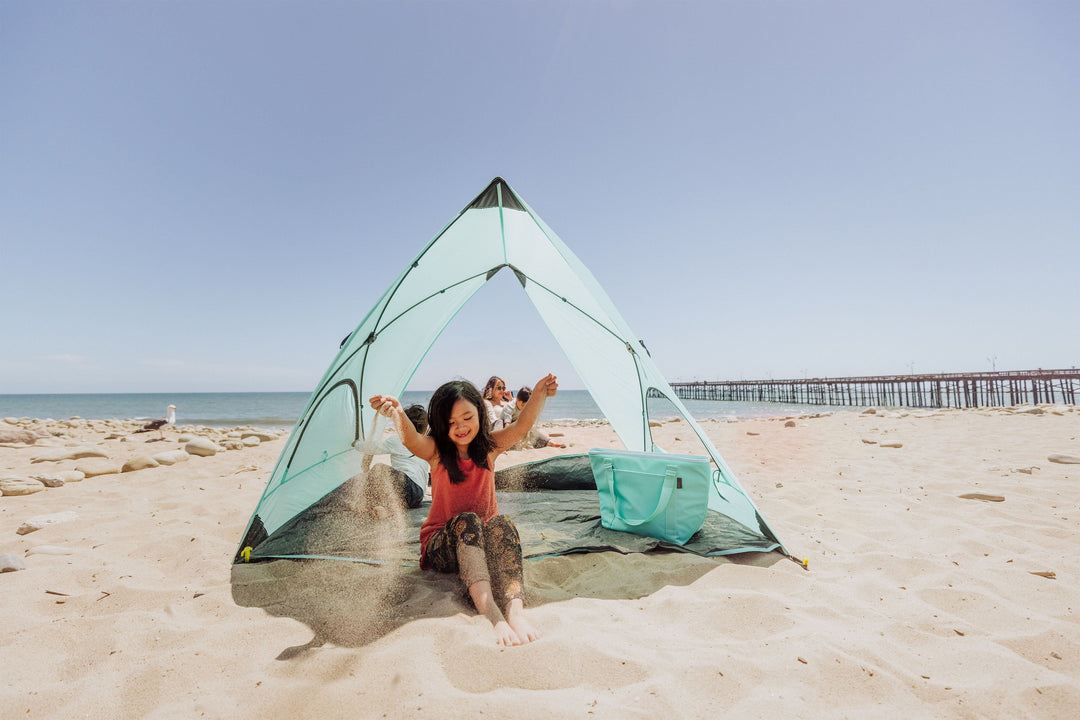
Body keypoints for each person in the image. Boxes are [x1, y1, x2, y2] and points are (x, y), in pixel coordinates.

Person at [369, 373, 559, 646]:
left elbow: (521, 427)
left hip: (480, 545)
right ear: (439, 425)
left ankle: (514, 611)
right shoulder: (437, 453)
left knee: (501, 522)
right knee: (468, 521)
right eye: (451, 422)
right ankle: (492, 614)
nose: (460, 427)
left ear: (480, 414)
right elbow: (412, 440)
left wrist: (539, 392)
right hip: (443, 546)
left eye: (467, 418)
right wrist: (398, 412)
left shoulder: (489, 448)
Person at [362, 404, 430, 511]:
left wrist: (355, 443)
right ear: (425, 430)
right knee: (393, 486)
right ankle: (387, 510)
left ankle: (365, 504)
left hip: (407, 487)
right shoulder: (427, 443)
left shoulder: (397, 440)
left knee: (379, 469)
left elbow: (371, 448)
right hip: (418, 495)